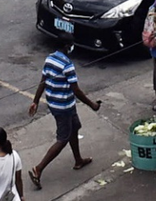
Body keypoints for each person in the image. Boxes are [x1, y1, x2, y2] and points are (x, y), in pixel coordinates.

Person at [26, 39, 102, 189]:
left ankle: (78, 160)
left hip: (55, 104)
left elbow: (43, 81)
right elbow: (76, 90)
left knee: (75, 127)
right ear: (68, 46)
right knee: (62, 139)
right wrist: (92, 104)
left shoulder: (50, 58)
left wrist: (35, 101)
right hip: (64, 107)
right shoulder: (67, 65)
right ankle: (38, 169)